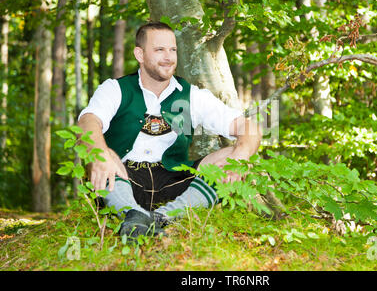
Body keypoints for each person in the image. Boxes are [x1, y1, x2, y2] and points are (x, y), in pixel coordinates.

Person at [78, 22, 261, 240]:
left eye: (172, 50)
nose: (168, 57)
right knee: (103, 152)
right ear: (140, 54)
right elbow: (87, 122)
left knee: (235, 156)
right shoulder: (116, 89)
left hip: (174, 182)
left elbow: (248, 126)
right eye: (159, 50)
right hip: (123, 179)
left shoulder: (191, 95)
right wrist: (100, 154)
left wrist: (240, 157)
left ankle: (161, 218)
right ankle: (131, 213)